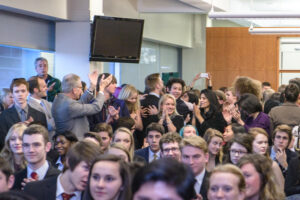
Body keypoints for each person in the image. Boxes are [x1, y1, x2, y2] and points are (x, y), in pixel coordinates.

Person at [24, 140, 101, 200]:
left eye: (95, 174)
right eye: (86, 168)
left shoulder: (95, 197)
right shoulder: (33, 190)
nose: (89, 176)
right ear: (69, 162)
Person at [52, 72, 112, 140]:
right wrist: (101, 90)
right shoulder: (69, 105)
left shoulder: (60, 100)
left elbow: (80, 103)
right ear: (74, 90)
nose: (82, 91)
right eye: (81, 88)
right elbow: (96, 107)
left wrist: (92, 87)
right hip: (74, 143)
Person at [0, 78, 47, 150]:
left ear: (27, 92)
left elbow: (44, 140)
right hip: (12, 155)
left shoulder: (40, 115)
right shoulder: (4, 116)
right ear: (12, 94)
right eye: (17, 91)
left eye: (23, 91)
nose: (20, 94)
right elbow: (3, 141)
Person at [12, 124, 60, 190]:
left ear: (47, 147)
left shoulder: (59, 178)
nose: (31, 150)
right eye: (26, 145)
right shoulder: (15, 179)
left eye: (36, 145)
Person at [180, 135, 209, 200]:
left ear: (206, 157)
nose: (191, 162)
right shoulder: (174, 183)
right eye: (186, 157)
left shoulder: (215, 182)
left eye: (196, 156)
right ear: (181, 158)